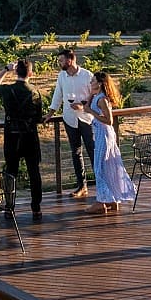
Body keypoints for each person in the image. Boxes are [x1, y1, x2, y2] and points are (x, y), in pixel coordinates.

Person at [0, 59, 44, 220]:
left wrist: (5, 69)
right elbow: (38, 116)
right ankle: (36, 208)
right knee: (34, 172)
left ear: (16, 72)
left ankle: (9, 207)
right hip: (29, 135)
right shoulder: (35, 92)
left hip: (12, 135)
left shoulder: (8, 90)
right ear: (31, 73)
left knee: (10, 172)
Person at [83, 71, 136, 214]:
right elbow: (86, 107)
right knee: (106, 166)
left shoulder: (102, 100)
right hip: (100, 134)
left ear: (99, 83)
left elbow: (109, 120)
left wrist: (92, 112)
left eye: (93, 81)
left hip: (104, 135)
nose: (90, 83)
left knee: (99, 167)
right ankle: (112, 200)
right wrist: (91, 95)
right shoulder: (96, 96)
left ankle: (101, 202)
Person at [49, 48, 94, 198]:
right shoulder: (62, 76)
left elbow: (94, 95)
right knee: (76, 153)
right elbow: (58, 95)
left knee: (93, 152)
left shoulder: (87, 75)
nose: (59, 63)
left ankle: (102, 185)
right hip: (69, 119)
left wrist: (83, 106)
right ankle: (82, 186)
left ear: (70, 60)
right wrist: (50, 113)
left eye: (61, 60)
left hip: (86, 118)